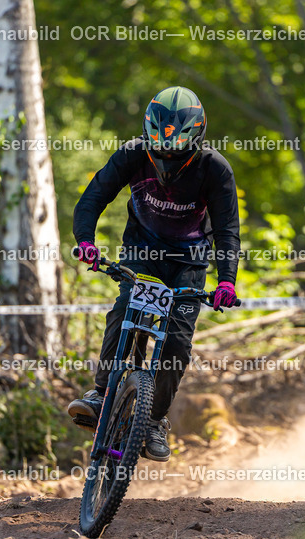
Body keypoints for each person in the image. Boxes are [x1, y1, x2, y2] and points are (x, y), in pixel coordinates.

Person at [67, 86, 240, 462]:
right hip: (142, 252)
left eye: (177, 143)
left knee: (177, 341)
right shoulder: (133, 153)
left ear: (196, 136)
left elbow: (227, 231)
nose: (166, 151)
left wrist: (227, 280)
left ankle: (155, 420)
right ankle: (101, 393)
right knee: (126, 306)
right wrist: (86, 241)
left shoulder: (215, 168)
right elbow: (93, 197)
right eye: (159, 142)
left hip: (189, 262)